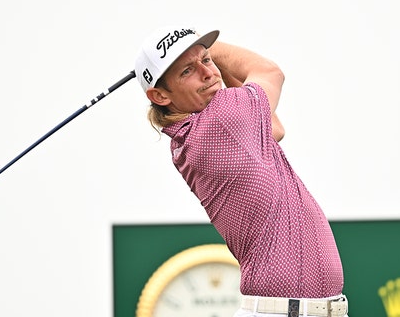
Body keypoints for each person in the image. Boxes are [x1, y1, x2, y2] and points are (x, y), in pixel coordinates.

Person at [134, 25, 348, 317]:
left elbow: (275, 128)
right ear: (159, 95)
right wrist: (207, 47)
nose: (207, 73)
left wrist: (190, 50)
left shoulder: (201, 132)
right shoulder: (222, 118)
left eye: (206, 61)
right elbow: (270, 72)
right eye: (187, 71)